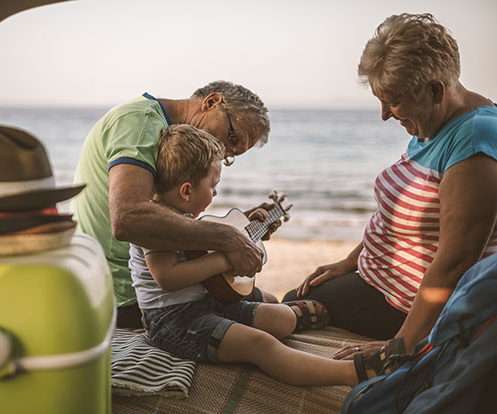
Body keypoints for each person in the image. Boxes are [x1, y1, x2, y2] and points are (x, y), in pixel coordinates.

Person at [283, 13, 497, 361]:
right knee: (292, 301)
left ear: (435, 90)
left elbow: (456, 261)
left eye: (393, 100)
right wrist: (351, 260)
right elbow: (399, 214)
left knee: (286, 311)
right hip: (377, 282)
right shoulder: (433, 122)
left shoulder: (473, 139)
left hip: (409, 308)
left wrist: (401, 346)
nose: (384, 114)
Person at [130, 124, 388, 386]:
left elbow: (206, 245)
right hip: (175, 321)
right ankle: (353, 373)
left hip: (208, 303)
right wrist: (225, 259)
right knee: (261, 344)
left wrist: (245, 225)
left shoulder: (183, 216)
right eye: (213, 186)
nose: (215, 192)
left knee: (281, 314)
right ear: (186, 191)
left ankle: (292, 317)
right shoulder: (156, 225)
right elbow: (167, 278)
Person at [71, 80, 278, 329]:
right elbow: (128, 218)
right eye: (232, 138)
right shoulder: (140, 122)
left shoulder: (170, 138)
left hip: (143, 286)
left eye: (232, 155)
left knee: (268, 302)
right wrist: (228, 238)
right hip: (123, 295)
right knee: (267, 306)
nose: (224, 152)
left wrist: (239, 229)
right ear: (212, 102)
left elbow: (169, 218)